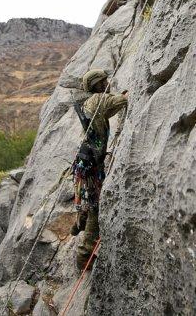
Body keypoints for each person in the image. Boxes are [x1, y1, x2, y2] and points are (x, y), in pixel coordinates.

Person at [72, 68, 128, 269]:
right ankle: (84, 255)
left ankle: (78, 224)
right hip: (91, 165)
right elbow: (121, 102)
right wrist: (126, 95)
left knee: (88, 198)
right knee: (96, 206)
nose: (108, 83)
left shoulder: (90, 102)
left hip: (84, 162)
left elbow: (108, 110)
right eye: (105, 81)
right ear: (99, 84)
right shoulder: (97, 100)